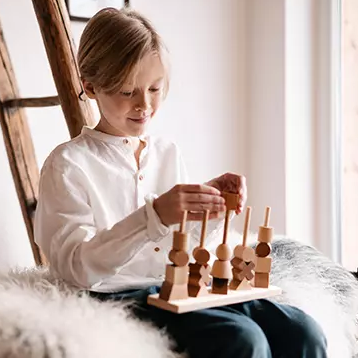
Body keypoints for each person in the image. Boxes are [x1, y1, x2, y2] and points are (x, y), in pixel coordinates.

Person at [34, 7, 327, 358]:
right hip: (115, 296)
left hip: (181, 288)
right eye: (128, 92)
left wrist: (211, 205)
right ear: (90, 87)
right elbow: (75, 267)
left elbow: (183, 244)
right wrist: (153, 216)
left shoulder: (166, 152)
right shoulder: (67, 164)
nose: (145, 104)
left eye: (155, 88)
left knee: (303, 331)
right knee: (243, 340)